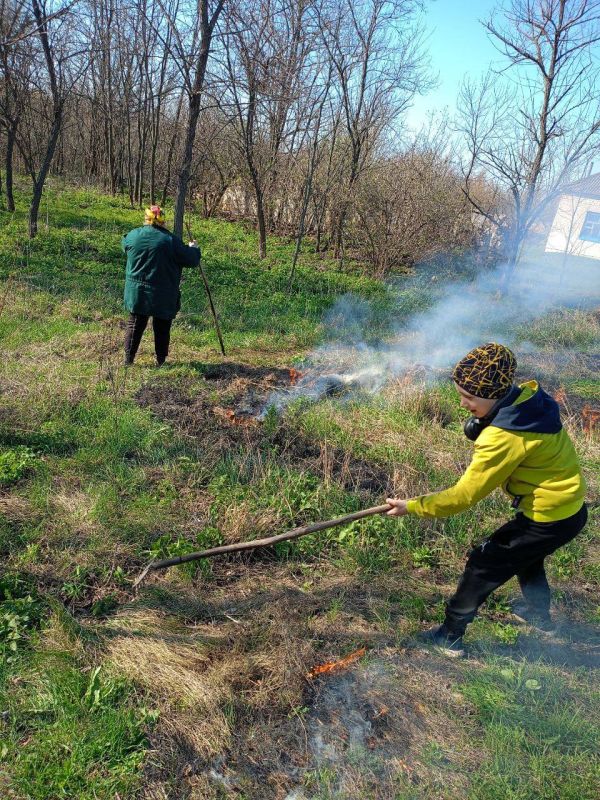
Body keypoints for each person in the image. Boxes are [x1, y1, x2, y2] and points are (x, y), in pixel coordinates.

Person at [386, 342, 587, 657]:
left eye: (469, 398)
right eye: (460, 395)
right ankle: (538, 614)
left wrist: (411, 506)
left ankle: (449, 637)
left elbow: (463, 497)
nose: (463, 404)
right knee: (527, 556)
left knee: (483, 565)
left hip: (547, 516)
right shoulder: (529, 399)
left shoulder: (502, 438)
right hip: (569, 508)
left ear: (494, 395)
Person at [122, 205, 201, 366]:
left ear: (146, 219)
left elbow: (124, 245)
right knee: (162, 327)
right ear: (163, 221)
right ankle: (161, 361)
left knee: (135, 324)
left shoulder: (132, 236)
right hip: (163, 294)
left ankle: (128, 361)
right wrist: (194, 249)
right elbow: (192, 260)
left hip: (137, 292)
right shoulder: (170, 241)